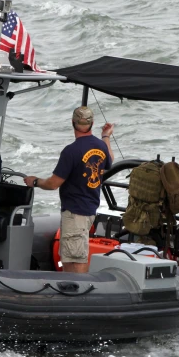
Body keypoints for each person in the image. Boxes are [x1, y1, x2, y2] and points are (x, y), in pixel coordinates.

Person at [24, 106, 114, 273]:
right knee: (72, 255)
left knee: (76, 259)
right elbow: (110, 160)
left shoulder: (71, 151)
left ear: (73, 123)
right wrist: (106, 136)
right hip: (89, 209)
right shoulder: (100, 146)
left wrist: (35, 181)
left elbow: (53, 184)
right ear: (92, 124)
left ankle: (80, 292)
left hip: (75, 213)